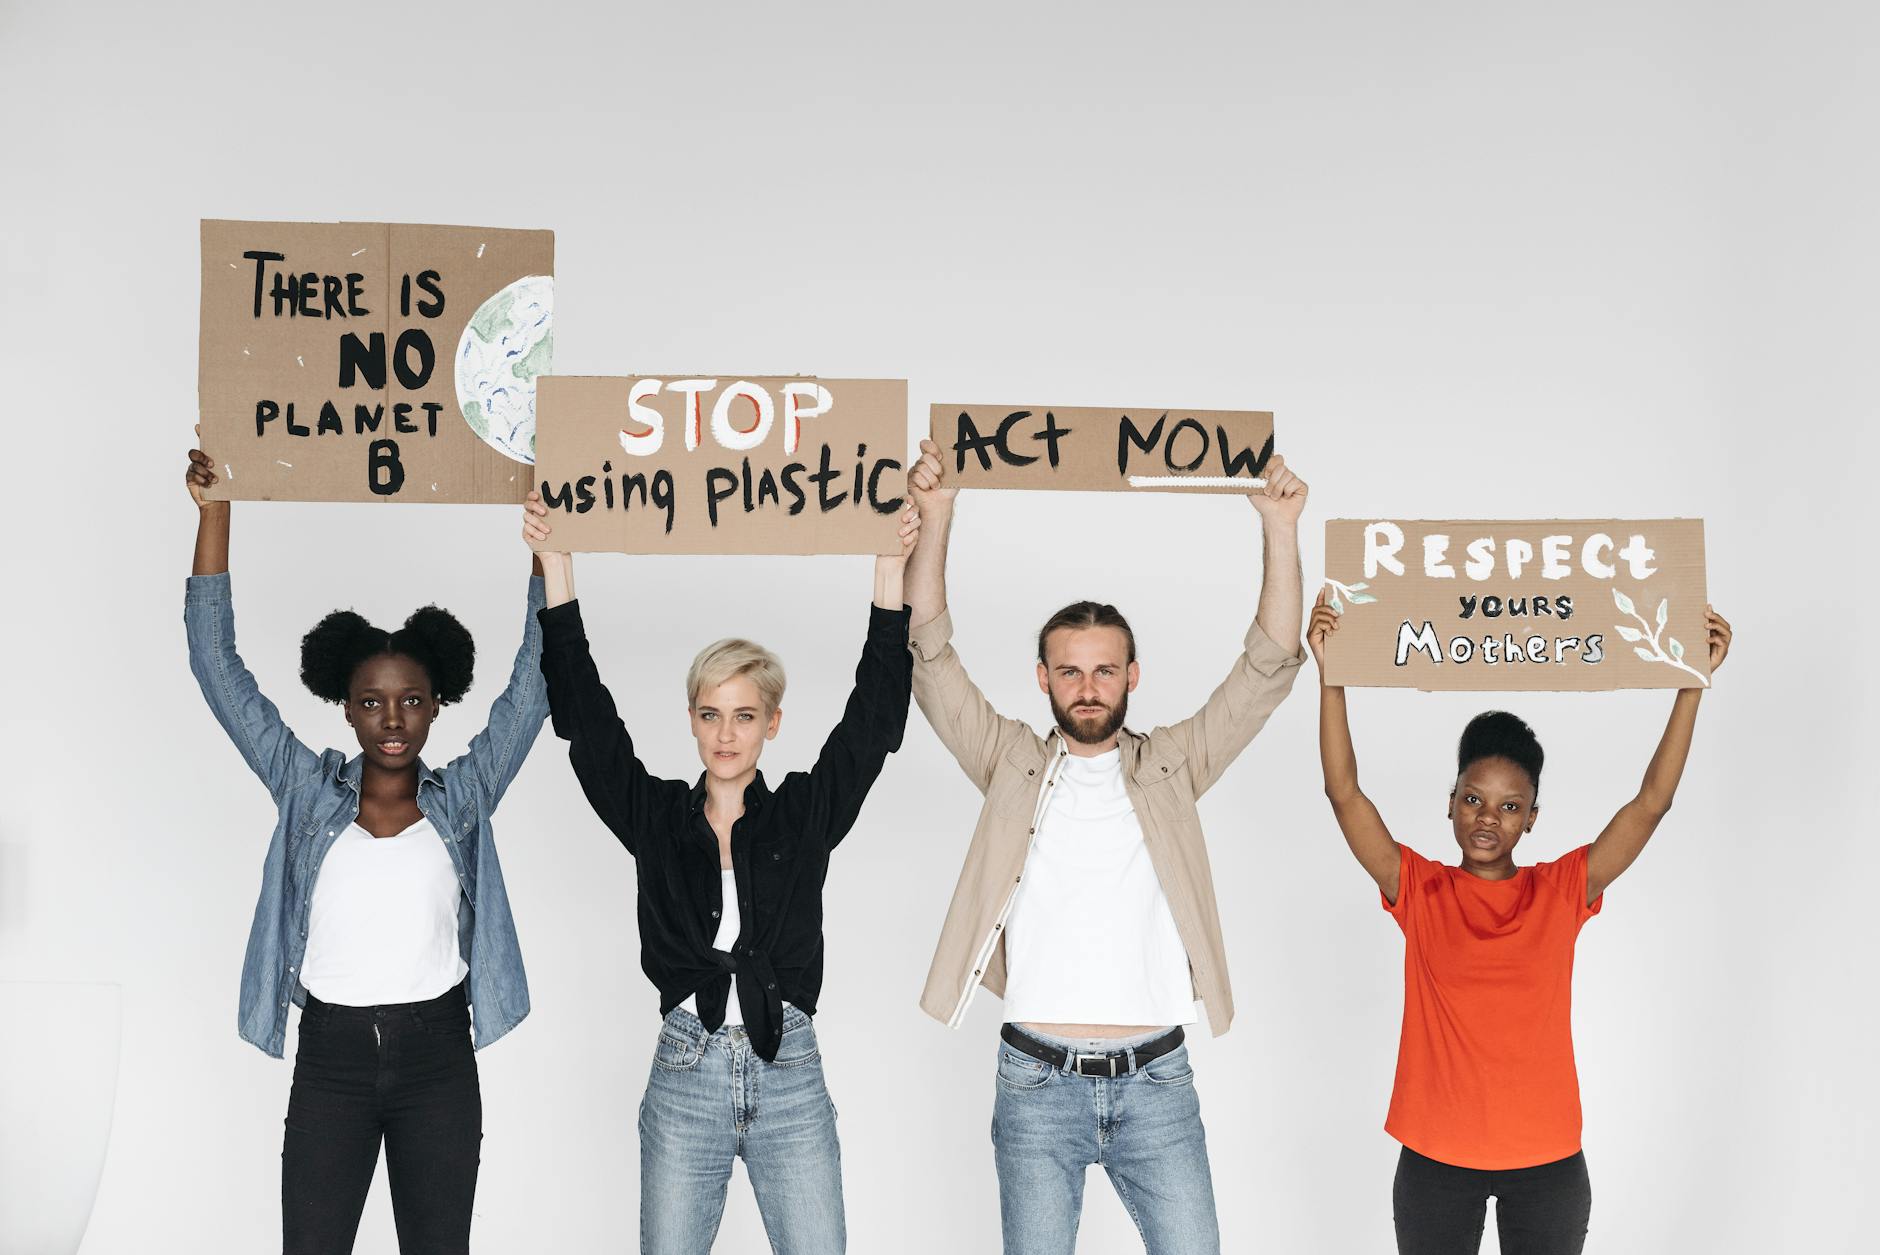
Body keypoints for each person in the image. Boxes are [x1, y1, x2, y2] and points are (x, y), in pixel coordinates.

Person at [900, 437, 1307, 1254]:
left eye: (1105, 670)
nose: (1089, 687)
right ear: (1043, 678)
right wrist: (938, 516)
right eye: (1072, 671)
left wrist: (1280, 527)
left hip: (1156, 1079)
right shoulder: (1009, 759)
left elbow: (1266, 669)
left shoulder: (1174, 765)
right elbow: (929, 657)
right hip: (1034, 1081)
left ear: (1133, 675)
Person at [523, 492, 920, 1255]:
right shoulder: (658, 818)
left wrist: (887, 571)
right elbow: (588, 725)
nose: (726, 732)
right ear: (692, 719)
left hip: (790, 1070)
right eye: (710, 713)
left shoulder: (804, 814)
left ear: (772, 721)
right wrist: (557, 567)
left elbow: (873, 722)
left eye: (744, 715)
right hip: (686, 1071)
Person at [182, 449, 553, 1254]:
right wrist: (217, 510)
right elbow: (218, 668)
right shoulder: (305, 789)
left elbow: (535, 681)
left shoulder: (465, 797)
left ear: (437, 706)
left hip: (438, 1061)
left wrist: (545, 548)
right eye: (373, 702)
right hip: (332, 1062)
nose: (393, 720)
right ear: (345, 709)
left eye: (412, 700)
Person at [1307, 588, 1733, 1254]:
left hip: (1548, 1165)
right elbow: (1343, 791)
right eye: (1473, 798)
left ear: (1532, 816)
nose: (1487, 817)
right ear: (1450, 802)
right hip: (1436, 1161)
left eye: (1510, 806)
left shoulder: (1561, 889)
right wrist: (1331, 674)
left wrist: (1692, 683)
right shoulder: (1418, 886)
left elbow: (1652, 802)